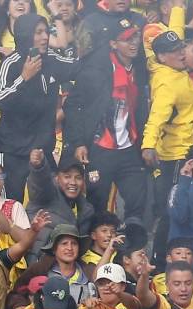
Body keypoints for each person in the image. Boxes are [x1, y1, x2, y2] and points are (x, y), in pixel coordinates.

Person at [63, 18, 148, 219]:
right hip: (100, 148)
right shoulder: (96, 70)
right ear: (113, 44)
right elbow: (72, 105)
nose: (134, 43)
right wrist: (79, 143)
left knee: (138, 200)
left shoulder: (141, 70)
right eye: (127, 40)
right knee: (96, 203)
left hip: (129, 148)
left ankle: (130, 246)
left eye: (135, 37)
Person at [0, 14, 75, 202]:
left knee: (50, 204)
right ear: (25, 34)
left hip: (42, 150)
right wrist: (24, 77)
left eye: (46, 32)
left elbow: (78, 66)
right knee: (12, 206)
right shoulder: (11, 63)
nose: (45, 37)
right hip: (13, 152)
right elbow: (1, 100)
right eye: (38, 32)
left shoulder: (52, 59)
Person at [142, 30, 193, 246]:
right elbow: (157, 117)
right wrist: (148, 145)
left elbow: (174, 31)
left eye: (181, 48)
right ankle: (161, 261)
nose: (181, 54)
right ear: (162, 56)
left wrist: (178, 6)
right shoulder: (167, 82)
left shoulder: (172, 69)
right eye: (174, 51)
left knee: (185, 209)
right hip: (178, 155)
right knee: (172, 212)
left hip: (188, 149)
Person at [25, 153, 94, 261]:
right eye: (67, 177)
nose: (73, 182)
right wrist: (39, 167)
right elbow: (40, 184)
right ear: (57, 178)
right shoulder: (48, 195)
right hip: (39, 261)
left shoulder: (86, 210)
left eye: (78, 178)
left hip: (69, 266)